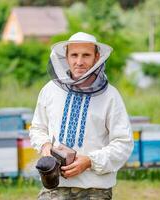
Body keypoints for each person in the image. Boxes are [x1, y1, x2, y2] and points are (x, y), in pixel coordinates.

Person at [29, 32, 134, 200]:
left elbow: (123, 143)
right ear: (66, 57)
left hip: (95, 190)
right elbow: (37, 128)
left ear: (97, 57)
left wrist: (90, 161)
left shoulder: (111, 96)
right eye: (74, 55)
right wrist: (45, 145)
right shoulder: (50, 90)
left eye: (86, 55)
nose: (79, 62)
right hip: (54, 186)